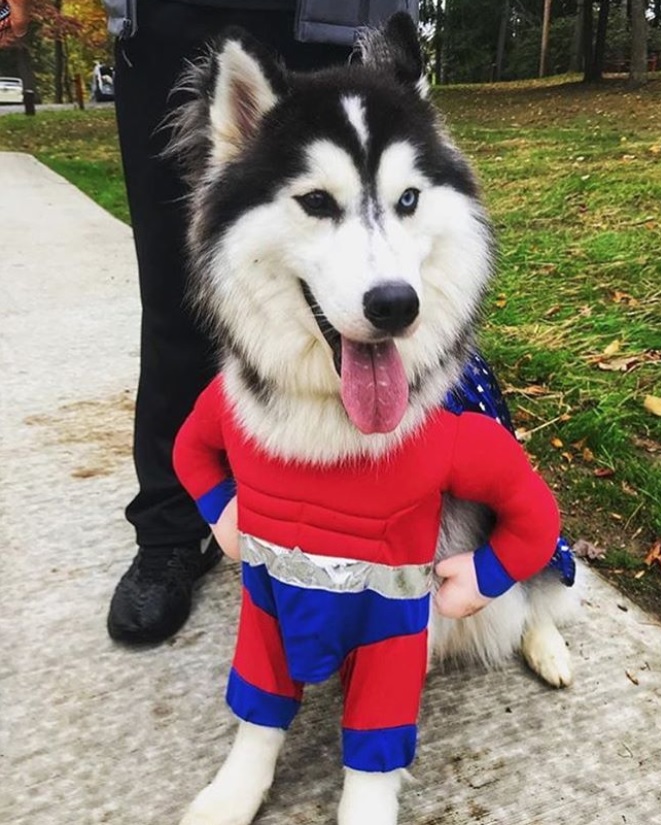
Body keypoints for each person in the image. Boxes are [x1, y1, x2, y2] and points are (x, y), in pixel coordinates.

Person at [104, 1, 418, 645]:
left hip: (332, 12)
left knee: (372, 264)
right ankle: (171, 528)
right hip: (170, 18)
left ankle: (350, 519)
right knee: (176, 292)